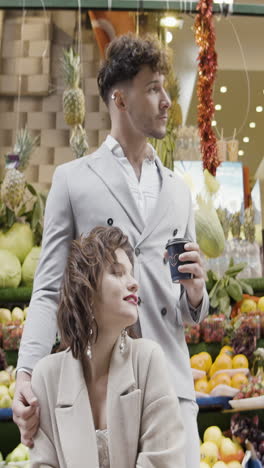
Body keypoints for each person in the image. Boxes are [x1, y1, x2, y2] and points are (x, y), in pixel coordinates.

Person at [13, 33, 209, 467]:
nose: (166, 102)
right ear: (120, 100)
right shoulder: (72, 180)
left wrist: (196, 294)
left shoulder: (179, 190)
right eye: (153, 88)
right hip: (97, 395)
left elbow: (186, 309)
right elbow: (49, 291)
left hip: (172, 388)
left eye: (165, 90)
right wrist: (26, 372)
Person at [30, 226, 186, 468]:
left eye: (131, 273)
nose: (133, 283)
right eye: (117, 272)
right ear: (86, 292)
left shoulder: (147, 360)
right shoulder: (46, 377)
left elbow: (163, 461)